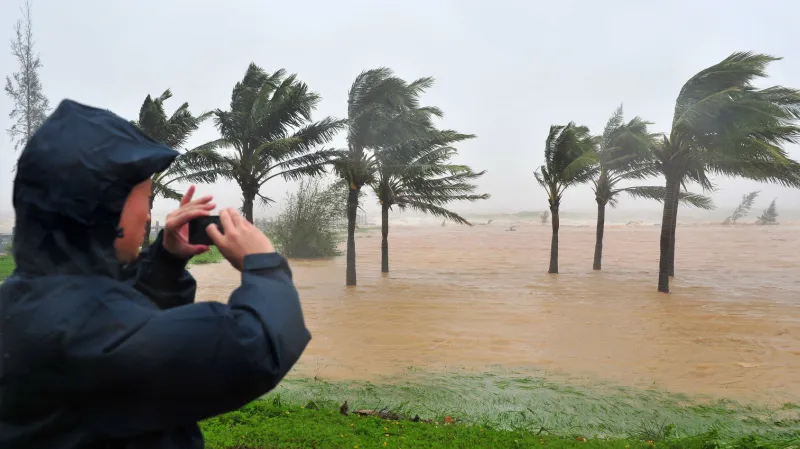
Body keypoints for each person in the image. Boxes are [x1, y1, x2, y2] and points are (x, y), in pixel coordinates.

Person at [0, 100, 312, 449]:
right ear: (108, 208)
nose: (148, 216)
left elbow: (130, 321)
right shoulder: (92, 337)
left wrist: (166, 260)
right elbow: (258, 346)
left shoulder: (27, 300)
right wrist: (264, 264)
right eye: (145, 199)